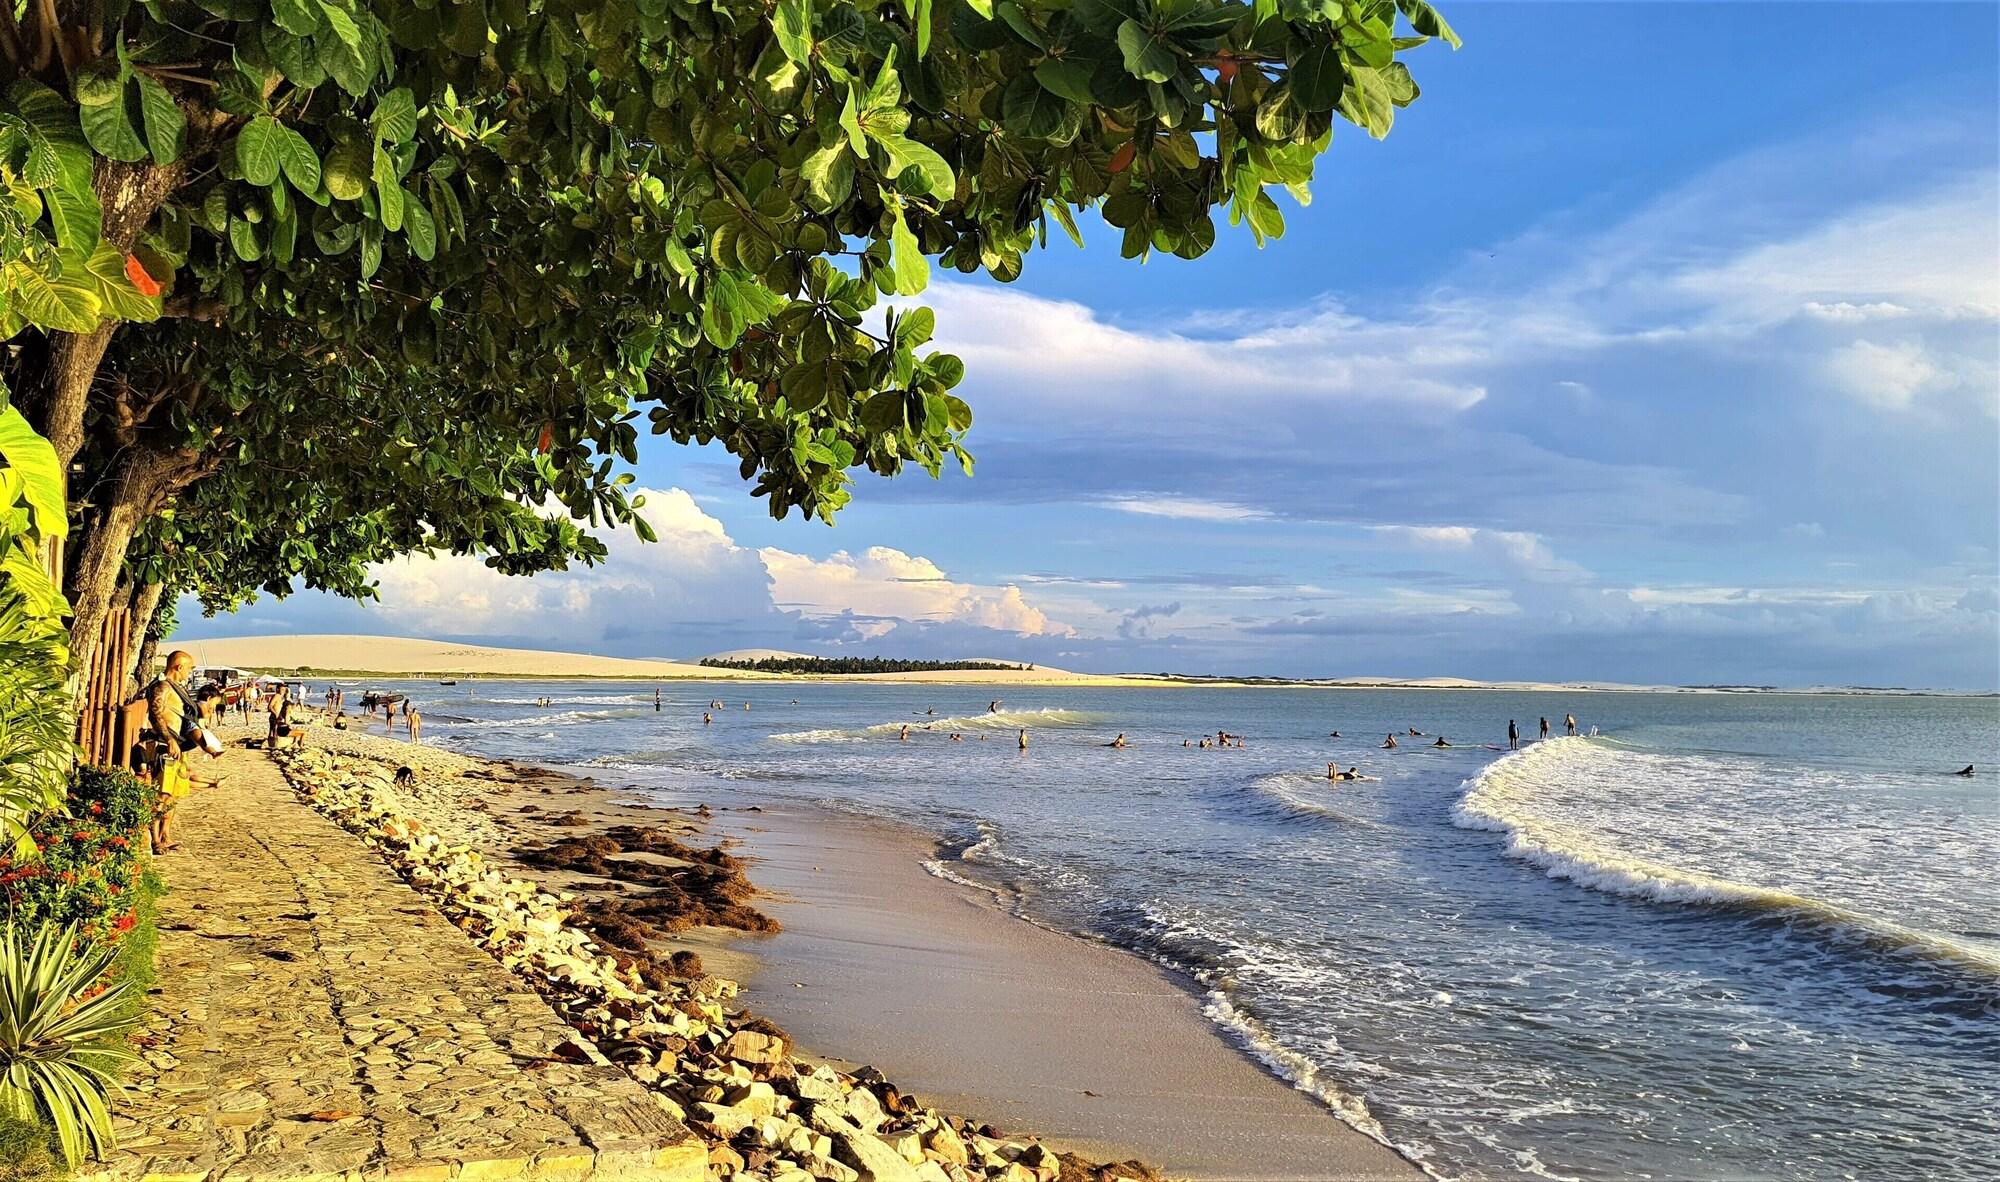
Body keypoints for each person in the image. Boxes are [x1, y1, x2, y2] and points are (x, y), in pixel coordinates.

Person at [143, 651, 204, 854]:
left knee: (174, 795)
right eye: (189, 668)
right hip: (164, 746)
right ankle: (154, 838)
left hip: (178, 747)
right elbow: (155, 714)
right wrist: (169, 739)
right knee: (161, 794)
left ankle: (165, 834)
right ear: (179, 666)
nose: (190, 672)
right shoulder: (162, 687)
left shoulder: (177, 688)